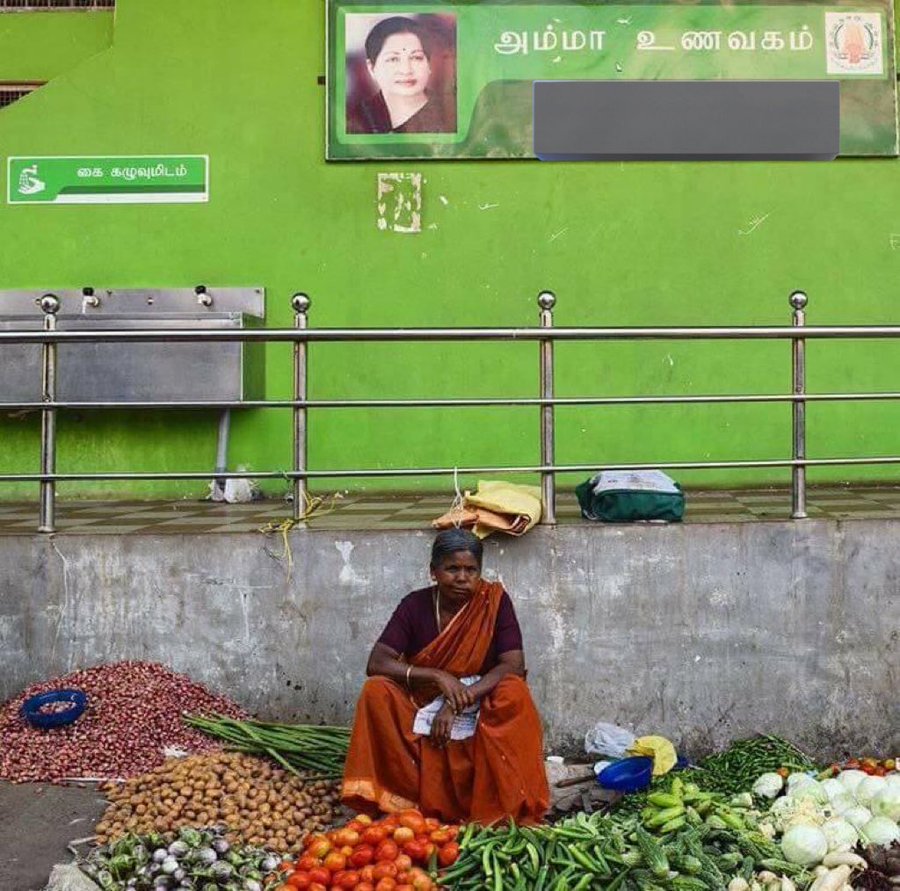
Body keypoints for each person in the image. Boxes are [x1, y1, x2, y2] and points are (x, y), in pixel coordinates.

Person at [342, 529, 549, 824]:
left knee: (514, 692)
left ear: (479, 572)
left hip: (480, 699)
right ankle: (402, 802)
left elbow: (512, 665)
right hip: (423, 704)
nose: (462, 577)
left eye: (470, 570)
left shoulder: (494, 602)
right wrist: (439, 677)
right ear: (434, 572)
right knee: (376, 691)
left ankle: (503, 807)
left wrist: (457, 701)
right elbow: (377, 662)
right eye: (452, 569)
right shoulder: (414, 605)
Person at [347, 16, 454, 134]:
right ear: (371, 68)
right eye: (393, 59)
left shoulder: (451, 114)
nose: (406, 70)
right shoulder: (356, 121)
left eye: (416, 57)